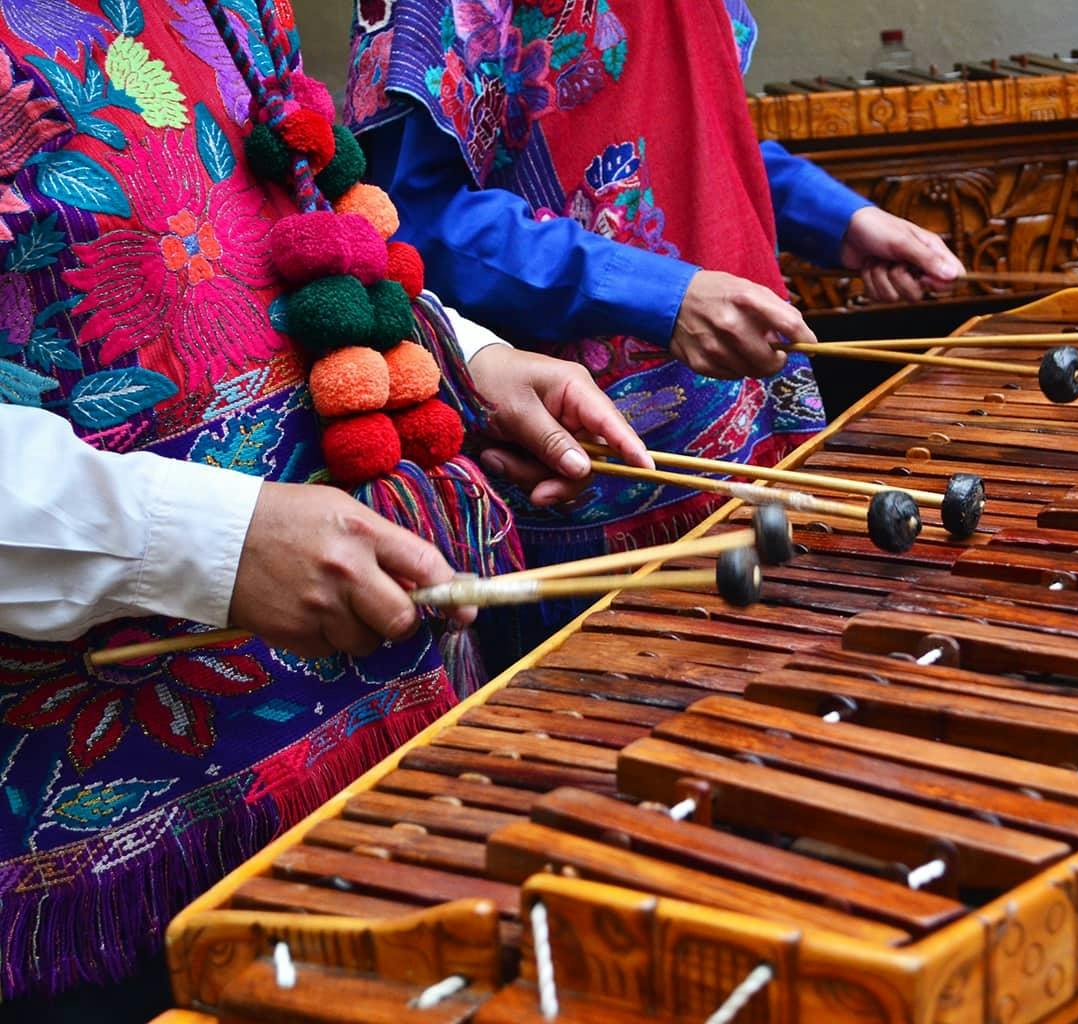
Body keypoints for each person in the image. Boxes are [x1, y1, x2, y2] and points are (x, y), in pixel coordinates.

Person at [0, 1, 646, 1015]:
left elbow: (296, 234)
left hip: (392, 751)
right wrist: (207, 542)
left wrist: (470, 359)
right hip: (115, 860)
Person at [345, 0, 965, 642]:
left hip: (766, 447)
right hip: (595, 481)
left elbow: (694, 133)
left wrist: (834, 218)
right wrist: (658, 295)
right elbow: (403, 221)